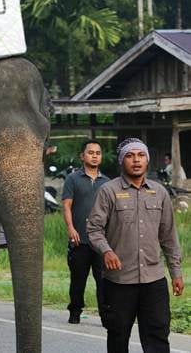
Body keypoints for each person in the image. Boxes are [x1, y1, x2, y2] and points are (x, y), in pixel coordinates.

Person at [87, 138, 184, 352]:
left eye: (141, 155)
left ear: (147, 160)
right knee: (118, 337)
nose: (136, 160)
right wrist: (107, 250)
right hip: (119, 280)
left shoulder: (159, 193)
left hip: (154, 280)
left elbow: (169, 236)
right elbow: (94, 229)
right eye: (130, 156)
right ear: (122, 161)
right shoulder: (108, 191)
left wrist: (176, 272)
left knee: (158, 336)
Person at [61, 139, 110, 324]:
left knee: (104, 280)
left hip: (102, 241)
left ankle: (106, 315)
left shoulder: (107, 182)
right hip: (79, 240)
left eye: (98, 153)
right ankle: (75, 311)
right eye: (91, 152)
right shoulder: (72, 179)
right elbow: (66, 206)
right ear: (83, 156)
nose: (95, 156)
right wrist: (70, 228)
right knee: (78, 280)